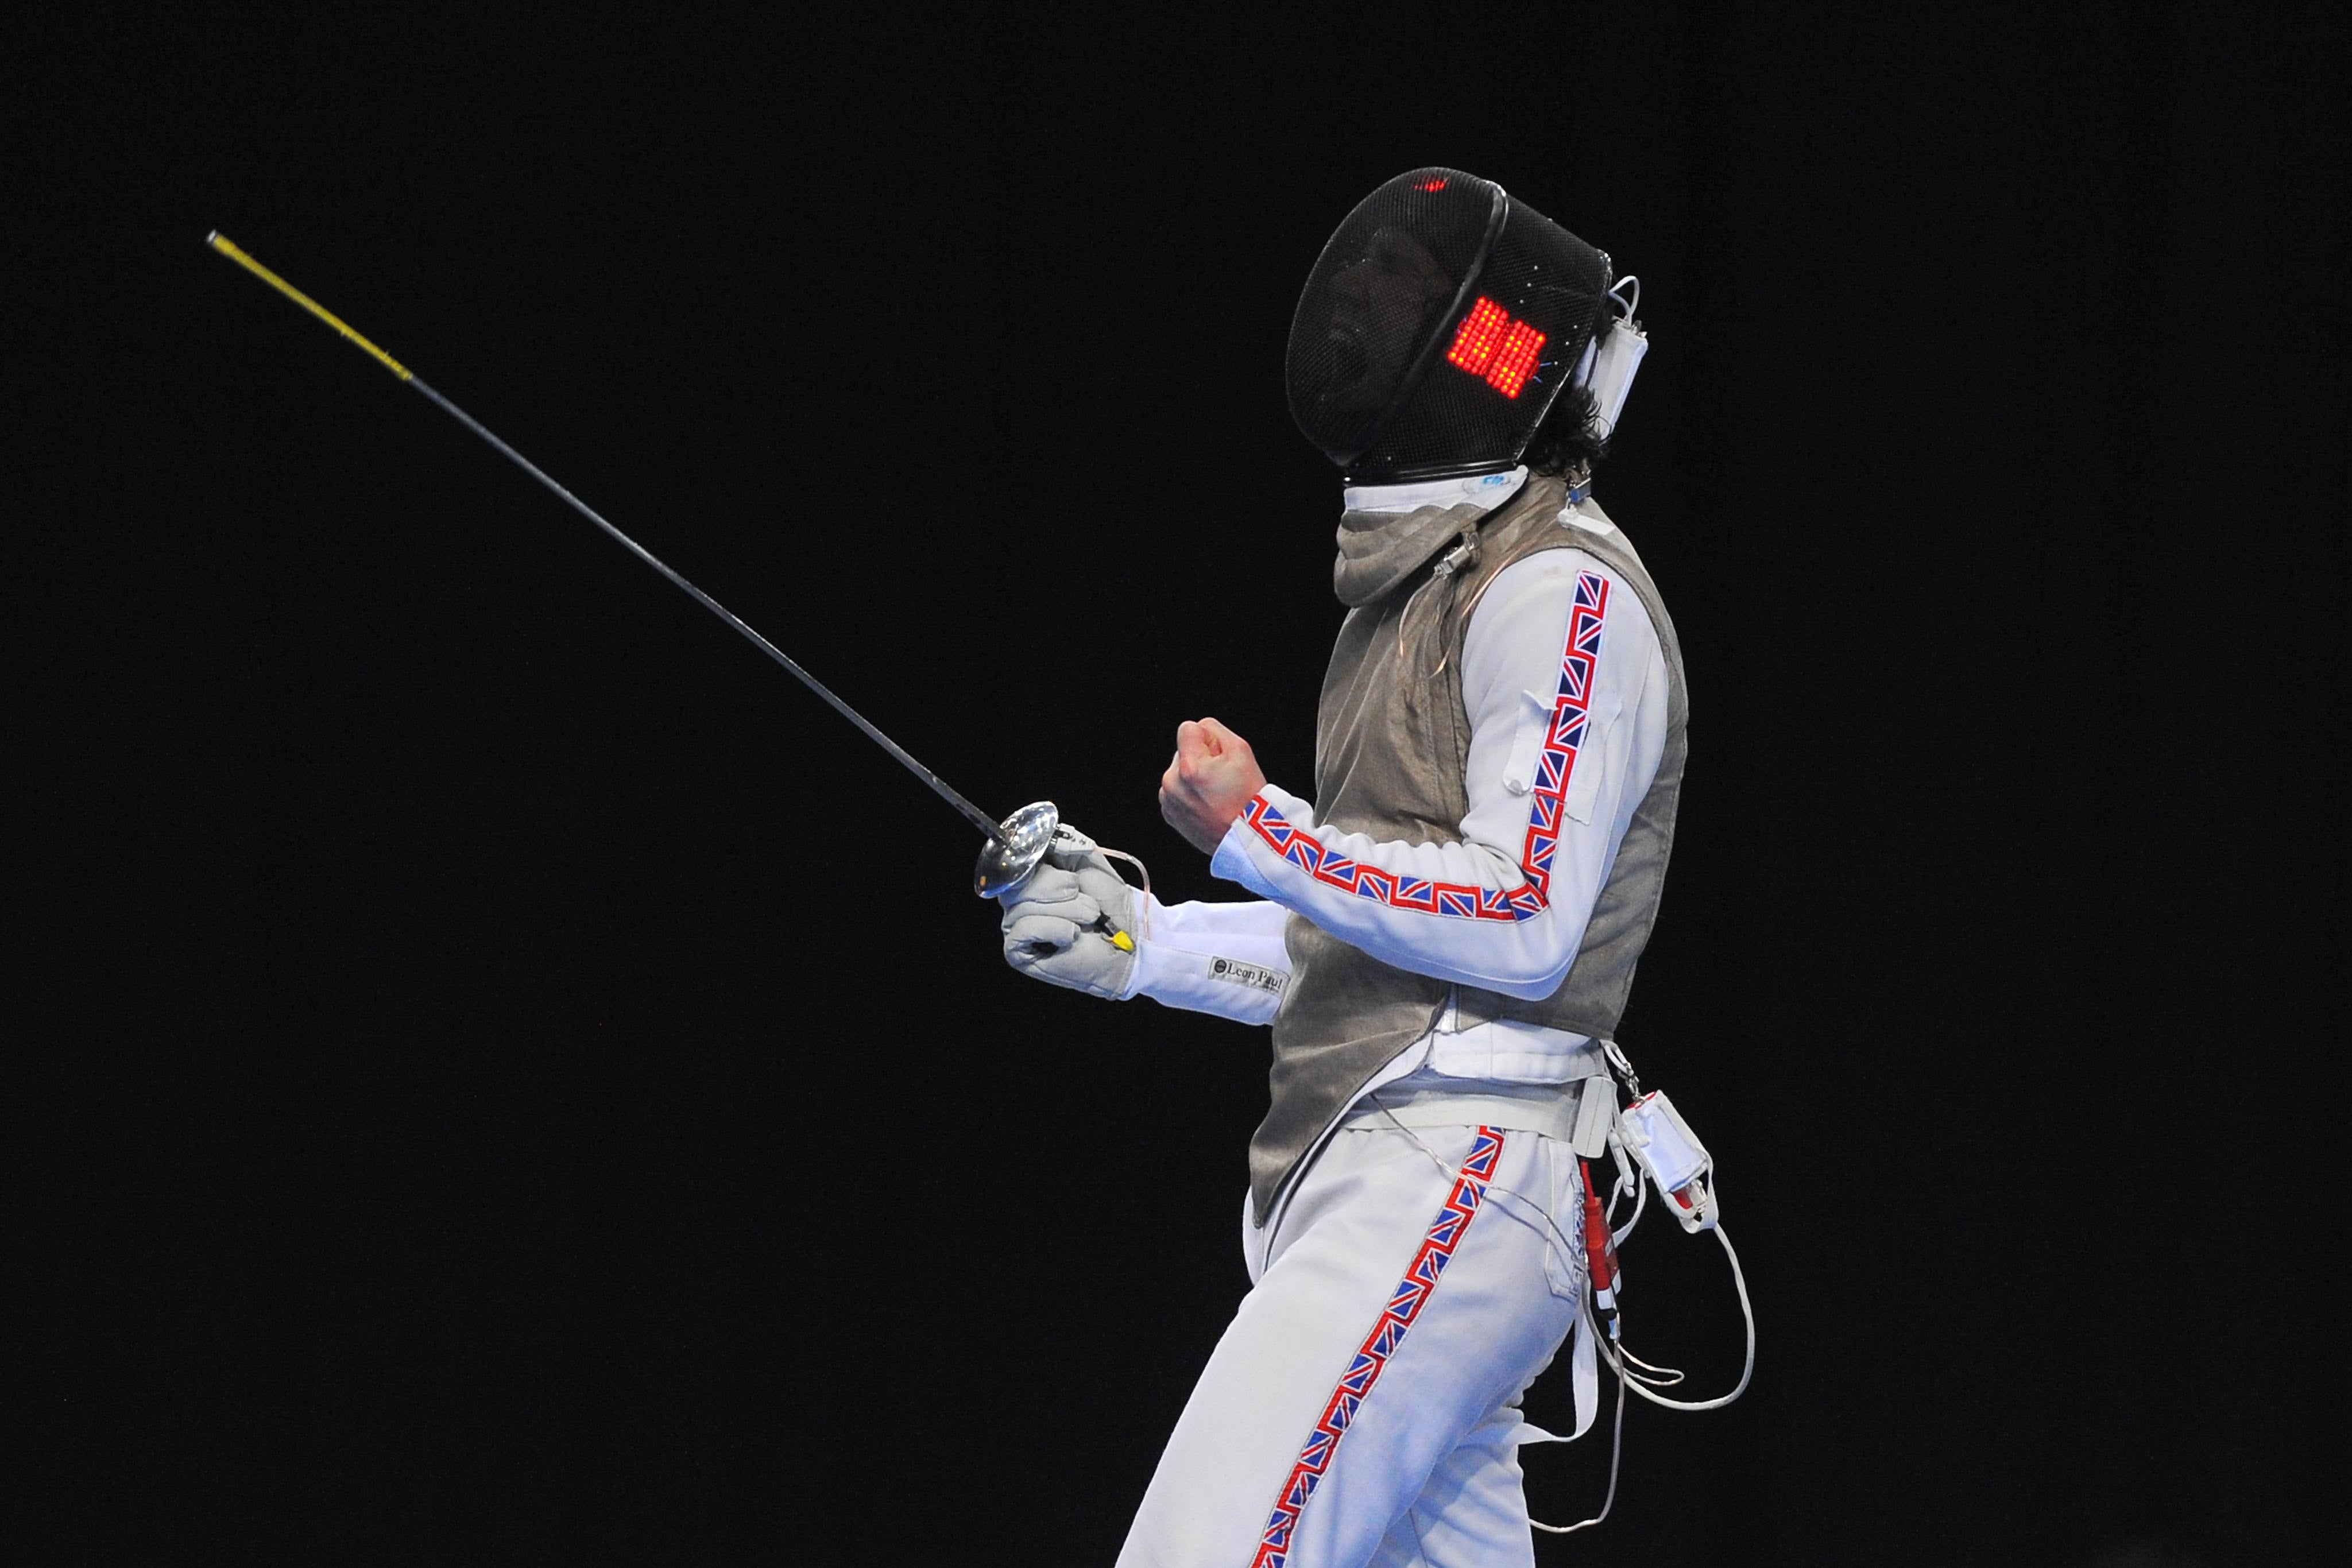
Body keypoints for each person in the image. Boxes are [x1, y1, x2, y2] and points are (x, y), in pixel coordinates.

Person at [995, 168, 1685, 1567]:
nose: (1364, 296)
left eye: (1407, 287)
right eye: (1367, 276)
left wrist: (1262, 828)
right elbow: (1379, 952)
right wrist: (1150, 943)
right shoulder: (1404, 601)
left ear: (1496, 346)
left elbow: (1520, 920)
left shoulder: (1561, 590)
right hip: (1384, 1159)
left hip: (1453, 1172)